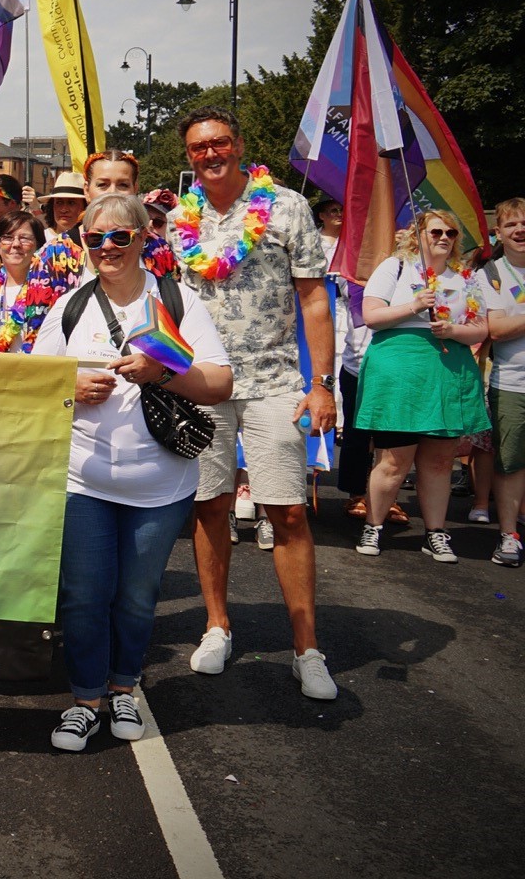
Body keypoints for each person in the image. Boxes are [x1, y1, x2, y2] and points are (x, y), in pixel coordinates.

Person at [32, 193, 233, 750]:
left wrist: (163, 371)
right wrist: (66, 387)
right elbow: (27, 385)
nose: (107, 248)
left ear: (145, 238)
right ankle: (84, 699)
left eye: (120, 236)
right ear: (83, 244)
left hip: (160, 485)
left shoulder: (179, 301)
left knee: (138, 597)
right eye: (95, 238)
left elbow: (219, 385)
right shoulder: (69, 307)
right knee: (83, 595)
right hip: (84, 480)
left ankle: (124, 688)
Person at [167, 107, 339, 700]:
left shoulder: (286, 207)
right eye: (197, 147)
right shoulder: (178, 221)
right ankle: (217, 626)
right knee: (209, 506)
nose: (209, 154)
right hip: (204, 382)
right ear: (188, 156)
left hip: (274, 380)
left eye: (218, 143)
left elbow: (314, 298)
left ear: (239, 145)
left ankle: (307, 648)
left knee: (286, 511)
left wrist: (323, 384)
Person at [354, 211, 489, 561]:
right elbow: (371, 315)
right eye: (436, 231)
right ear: (418, 235)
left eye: (451, 233)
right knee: (394, 460)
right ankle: (374, 525)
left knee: (441, 461)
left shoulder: (466, 278)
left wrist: (454, 330)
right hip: (401, 369)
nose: (444, 237)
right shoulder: (395, 267)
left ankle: (435, 533)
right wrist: (413, 305)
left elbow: (480, 328)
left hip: (448, 369)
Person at [482, 199, 525, 566]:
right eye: (511, 225)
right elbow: (496, 329)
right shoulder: (492, 274)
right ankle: (508, 535)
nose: (520, 230)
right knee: (510, 462)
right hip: (513, 384)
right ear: (499, 233)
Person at [0, 211, 48, 352]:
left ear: (38, 246)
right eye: (8, 237)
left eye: (25, 238)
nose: (16, 244)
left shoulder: (47, 294)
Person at [315, 199, 344, 266]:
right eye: (334, 211)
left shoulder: (351, 239)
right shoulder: (312, 240)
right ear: (322, 216)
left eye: (342, 210)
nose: (339, 214)